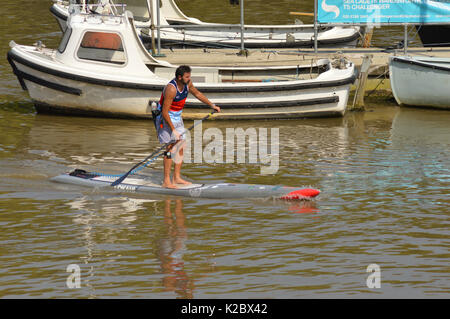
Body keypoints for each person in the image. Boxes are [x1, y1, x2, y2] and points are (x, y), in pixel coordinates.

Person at [156, 65, 220, 189]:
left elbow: (197, 93)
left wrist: (212, 105)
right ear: (179, 77)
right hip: (165, 118)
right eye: (187, 76)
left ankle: (176, 177)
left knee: (181, 145)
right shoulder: (171, 89)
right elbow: (164, 112)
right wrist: (173, 130)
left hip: (177, 117)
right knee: (170, 148)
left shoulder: (187, 83)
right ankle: (166, 181)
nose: (189, 78)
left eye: (189, 76)